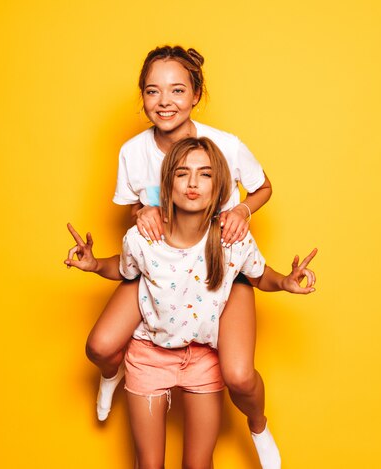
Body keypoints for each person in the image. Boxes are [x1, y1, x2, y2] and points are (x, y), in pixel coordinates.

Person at [66, 137, 317, 469]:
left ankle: (258, 426)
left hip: (203, 360)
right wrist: (95, 264)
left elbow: (257, 276)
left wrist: (284, 282)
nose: (194, 183)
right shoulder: (142, 238)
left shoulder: (232, 238)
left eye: (205, 174)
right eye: (183, 174)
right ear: (167, 186)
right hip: (149, 358)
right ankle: (113, 375)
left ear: (219, 187)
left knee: (198, 465)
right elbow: (125, 270)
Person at [85, 45, 281, 467]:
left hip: (218, 264)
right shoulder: (132, 152)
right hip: (162, 265)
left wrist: (242, 209)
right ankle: (112, 375)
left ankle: (259, 425)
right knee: (101, 345)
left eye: (177, 90)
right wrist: (144, 212)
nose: (165, 102)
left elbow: (264, 187)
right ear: (142, 97)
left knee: (239, 374)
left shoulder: (225, 146)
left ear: (196, 94)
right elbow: (130, 214)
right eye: (153, 92)